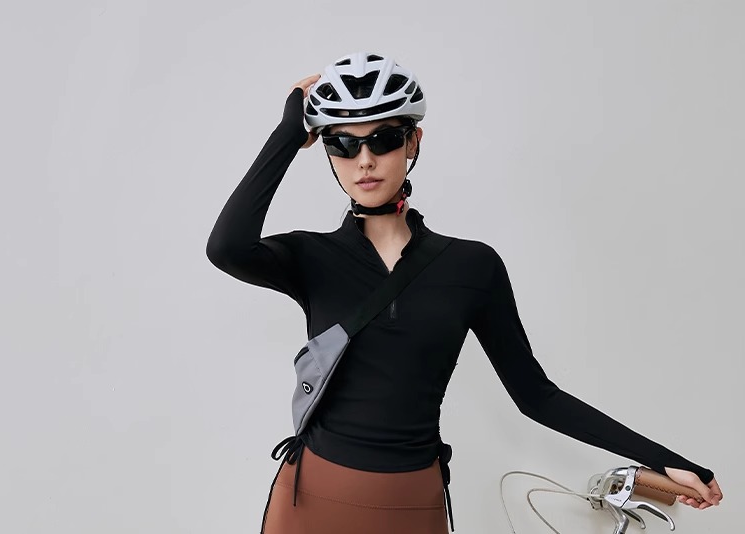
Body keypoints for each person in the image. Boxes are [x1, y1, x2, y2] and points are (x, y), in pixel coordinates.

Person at [206, 52, 723, 534]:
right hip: (311, 497)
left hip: (413, 501)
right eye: (343, 144)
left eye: (383, 140)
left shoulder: (472, 265)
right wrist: (288, 133)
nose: (364, 160)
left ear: (413, 143)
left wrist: (663, 460)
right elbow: (226, 247)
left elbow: (536, 396)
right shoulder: (310, 257)